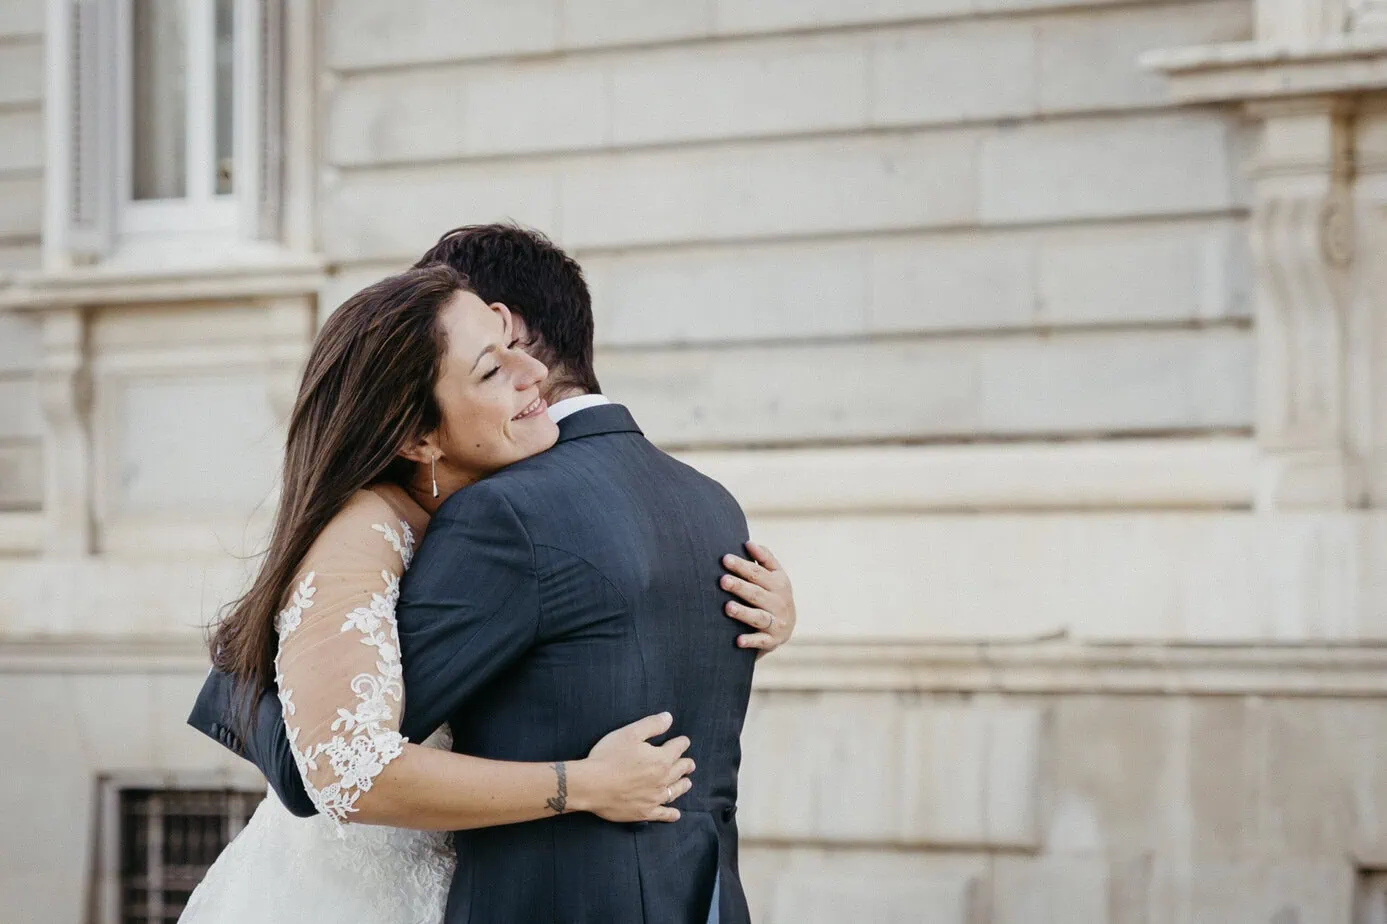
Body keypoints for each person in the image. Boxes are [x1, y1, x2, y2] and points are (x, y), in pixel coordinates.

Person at [185, 230, 796, 924]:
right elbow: (332, 768)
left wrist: (778, 618)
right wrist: (582, 785)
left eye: (513, 348)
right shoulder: (705, 502)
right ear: (416, 434)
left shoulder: (500, 510)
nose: (527, 373)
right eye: (490, 366)